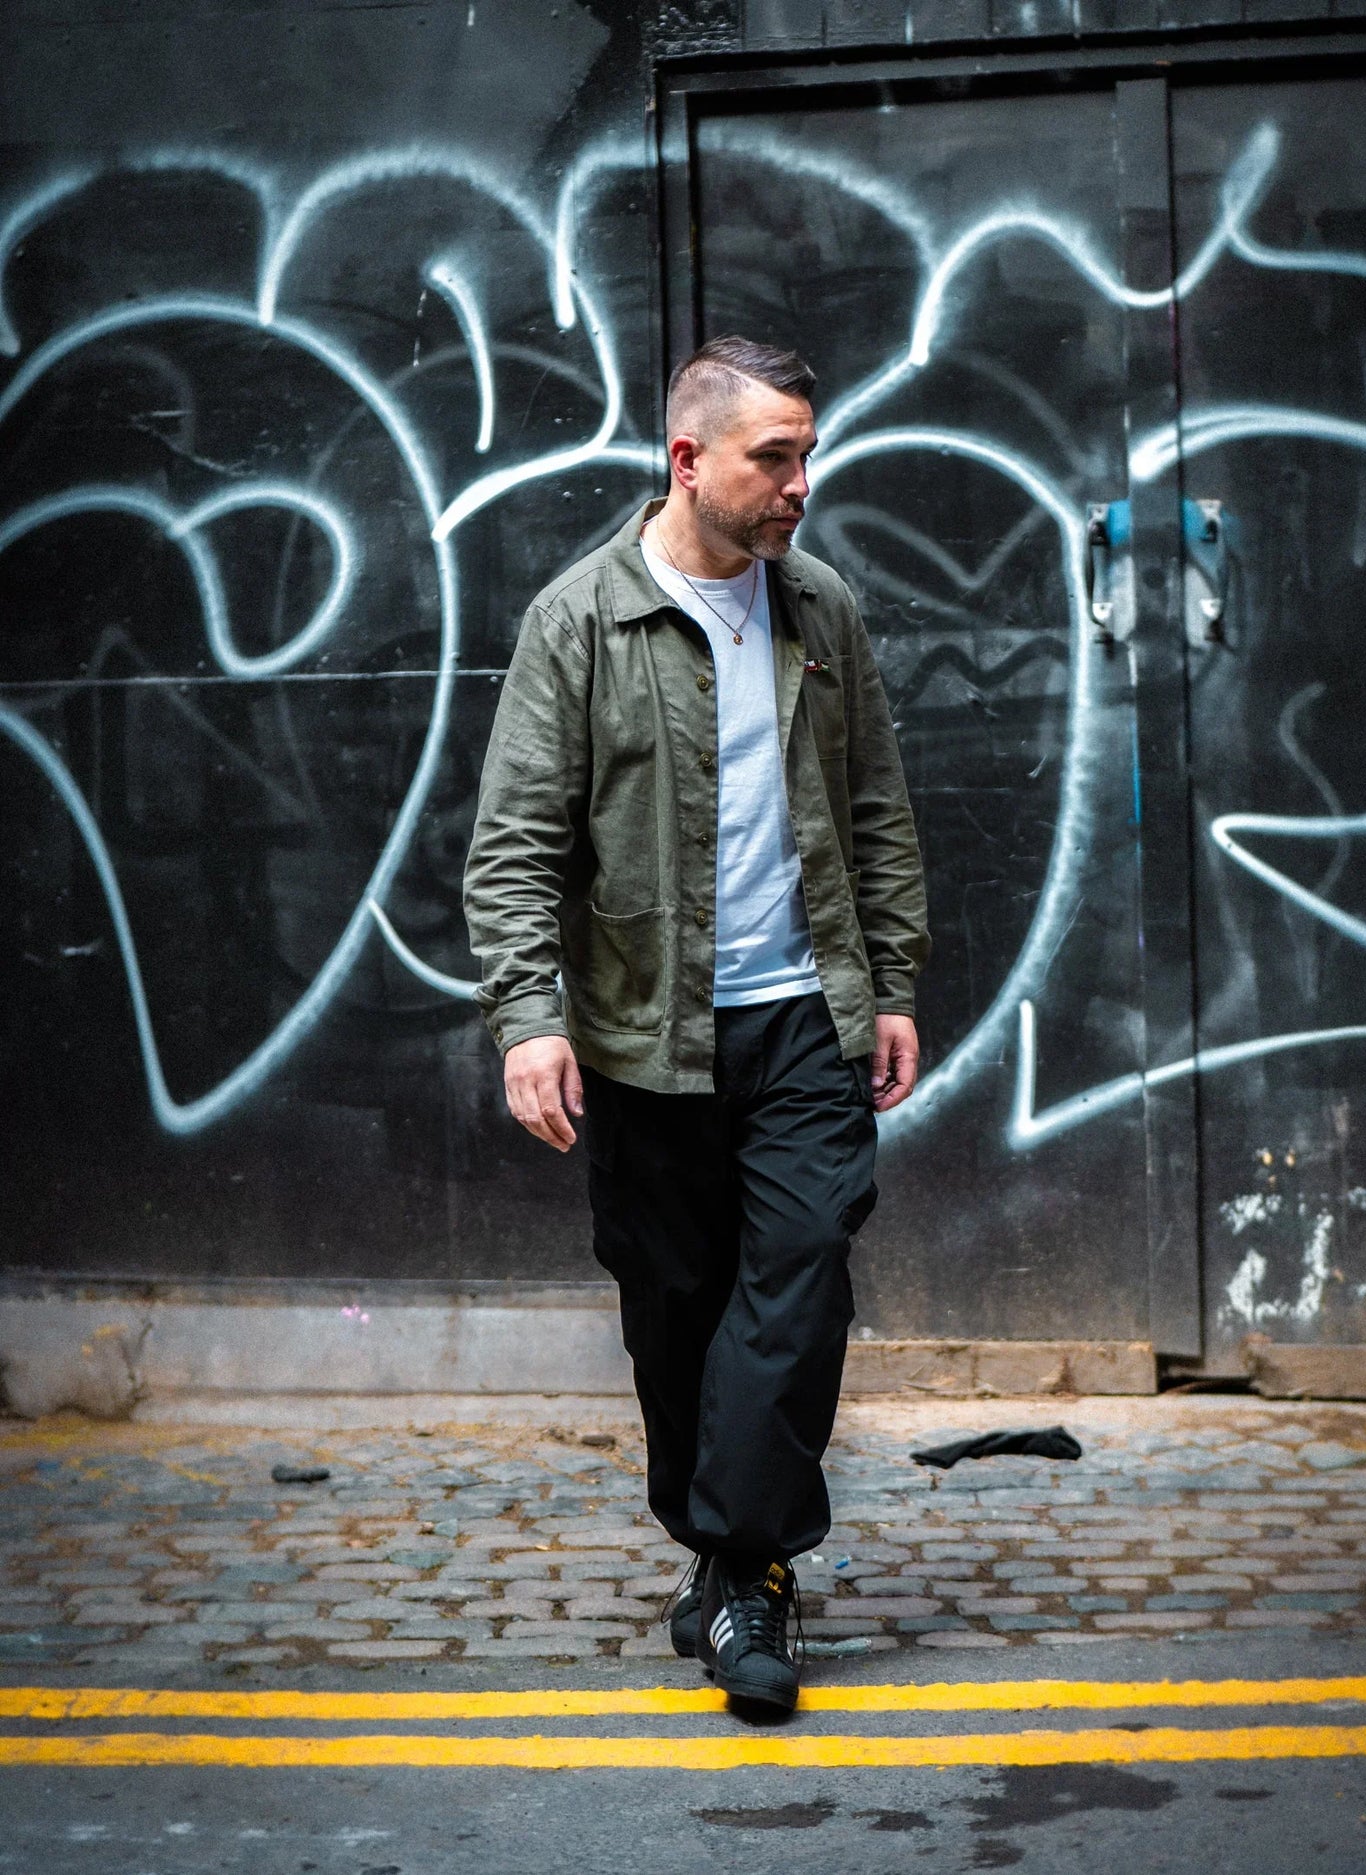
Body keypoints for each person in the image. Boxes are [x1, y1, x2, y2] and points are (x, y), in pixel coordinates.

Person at [463, 334, 929, 1711]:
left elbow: (876, 812)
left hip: (801, 1019)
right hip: (643, 1033)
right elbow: (516, 844)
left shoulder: (820, 611)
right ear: (688, 461)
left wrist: (891, 981)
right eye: (771, 458)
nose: (799, 485)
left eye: (806, 455)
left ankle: (744, 1572)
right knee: (673, 1311)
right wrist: (527, 1020)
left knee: (797, 1281)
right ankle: (723, 1555)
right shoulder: (581, 622)